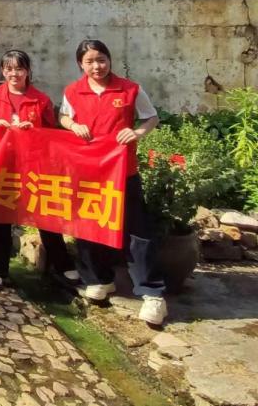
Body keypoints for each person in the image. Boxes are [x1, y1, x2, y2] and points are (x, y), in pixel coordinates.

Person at [59, 39, 166, 326]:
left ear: (109, 60)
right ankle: (99, 279)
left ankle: (152, 293)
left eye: (101, 59)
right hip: (87, 171)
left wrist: (137, 133)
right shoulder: (72, 91)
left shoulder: (130, 89)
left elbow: (151, 117)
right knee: (89, 225)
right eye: (90, 61)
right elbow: (64, 116)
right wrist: (73, 125)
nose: (96, 66)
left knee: (136, 232)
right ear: (80, 64)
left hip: (122, 171)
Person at [0, 50, 79, 289]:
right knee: (0, 215)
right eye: (9, 69)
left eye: (19, 69)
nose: (14, 74)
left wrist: (33, 131)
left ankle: (62, 264)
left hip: (34, 166)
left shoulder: (40, 99)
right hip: (3, 163)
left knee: (44, 213)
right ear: (2, 71)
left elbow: (52, 135)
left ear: (27, 71)